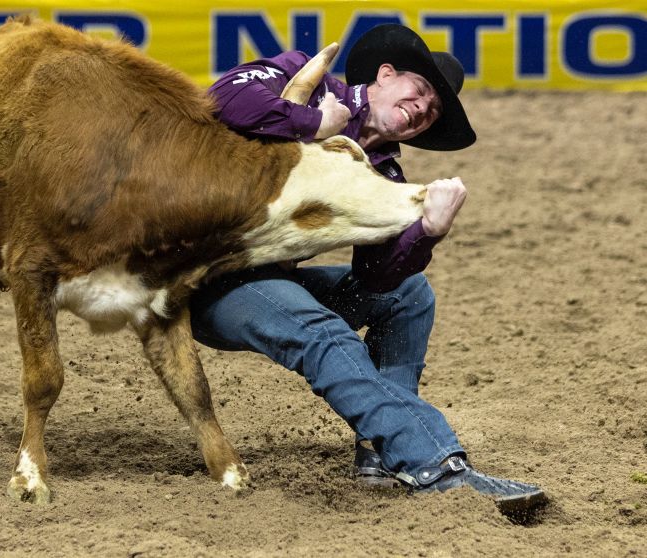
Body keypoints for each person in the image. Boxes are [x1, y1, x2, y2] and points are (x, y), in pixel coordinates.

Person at [191, 24, 548, 515]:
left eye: (432, 112)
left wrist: (426, 232)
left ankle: (381, 452)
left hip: (267, 279)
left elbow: (378, 278)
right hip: (201, 278)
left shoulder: (386, 173)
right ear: (385, 74)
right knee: (323, 334)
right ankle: (433, 464)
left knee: (409, 294)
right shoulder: (303, 76)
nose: (422, 108)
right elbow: (224, 100)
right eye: (420, 91)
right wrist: (310, 124)